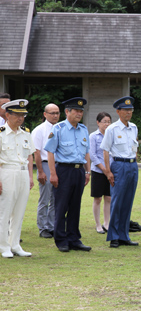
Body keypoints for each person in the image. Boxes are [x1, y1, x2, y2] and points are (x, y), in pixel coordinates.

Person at [44, 97, 92, 253]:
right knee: (61, 206)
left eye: (81, 111)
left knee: (75, 206)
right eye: (76, 111)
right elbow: (50, 152)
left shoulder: (83, 129)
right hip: (63, 170)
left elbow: (86, 153)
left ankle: (74, 238)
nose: (79, 114)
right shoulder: (58, 129)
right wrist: (53, 174)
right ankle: (61, 239)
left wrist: (87, 171)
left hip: (79, 171)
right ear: (67, 112)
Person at [101, 96, 139, 248]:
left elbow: (134, 148)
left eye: (130, 110)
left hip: (132, 165)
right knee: (117, 201)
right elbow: (105, 150)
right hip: (119, 165)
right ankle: (114, 236)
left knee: (128, 201)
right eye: (126, 110)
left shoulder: (134, 127)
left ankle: (124, 235)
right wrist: (108, 171)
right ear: (118, 111)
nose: (129, 113)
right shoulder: (112, 129)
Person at [0, 99, 35, 258]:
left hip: (22, 173)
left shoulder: (26, 132)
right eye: (17, 115)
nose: (20, 118)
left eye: (23, 115)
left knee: (19, 211)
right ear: (7, 115)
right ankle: (4, 246)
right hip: (7, 172)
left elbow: (30, 156)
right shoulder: (1, 133)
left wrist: (30, 176)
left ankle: (15, 244)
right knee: (4, 211)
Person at [31, 103, 60, 238]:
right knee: (45, 198)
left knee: (55, 198)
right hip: (45, 165)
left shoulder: (61, 128)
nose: (55, 115)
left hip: (59, 165)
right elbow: (36, 152)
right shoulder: (39, 130)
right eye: (52, 113)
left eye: (57, 113)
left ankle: (51, 226)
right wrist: (41, 171)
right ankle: (42, 227)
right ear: (45, 114)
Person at [89, 112, 112, 234]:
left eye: (109, 121)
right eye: (104, 121)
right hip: (98, 171)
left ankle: (106, 223)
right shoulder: (93, 136)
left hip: (111, 171)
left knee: (108, 197)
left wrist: (110, 170)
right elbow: (92, 155)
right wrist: (104, 169)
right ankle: (98, 224)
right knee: (97, 198)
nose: (107, 124)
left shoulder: (112, 135)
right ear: (98, 123)